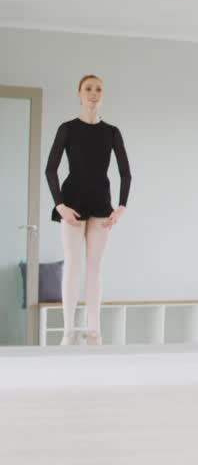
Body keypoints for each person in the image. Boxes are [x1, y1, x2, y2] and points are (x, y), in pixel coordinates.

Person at [45, 74, 132, 346]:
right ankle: (69, 329)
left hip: (100, 204)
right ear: (79, 93)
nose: (93, 93)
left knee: (95, 267)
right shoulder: (67, 128)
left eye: (98, 89)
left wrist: (121, 208)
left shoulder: (112, 132)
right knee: (72, 265)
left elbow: (125, 173)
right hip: (71, 202)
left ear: (102, 95)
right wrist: (60, 205)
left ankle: (94, 328)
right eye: (88, 89)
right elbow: (51, 169)